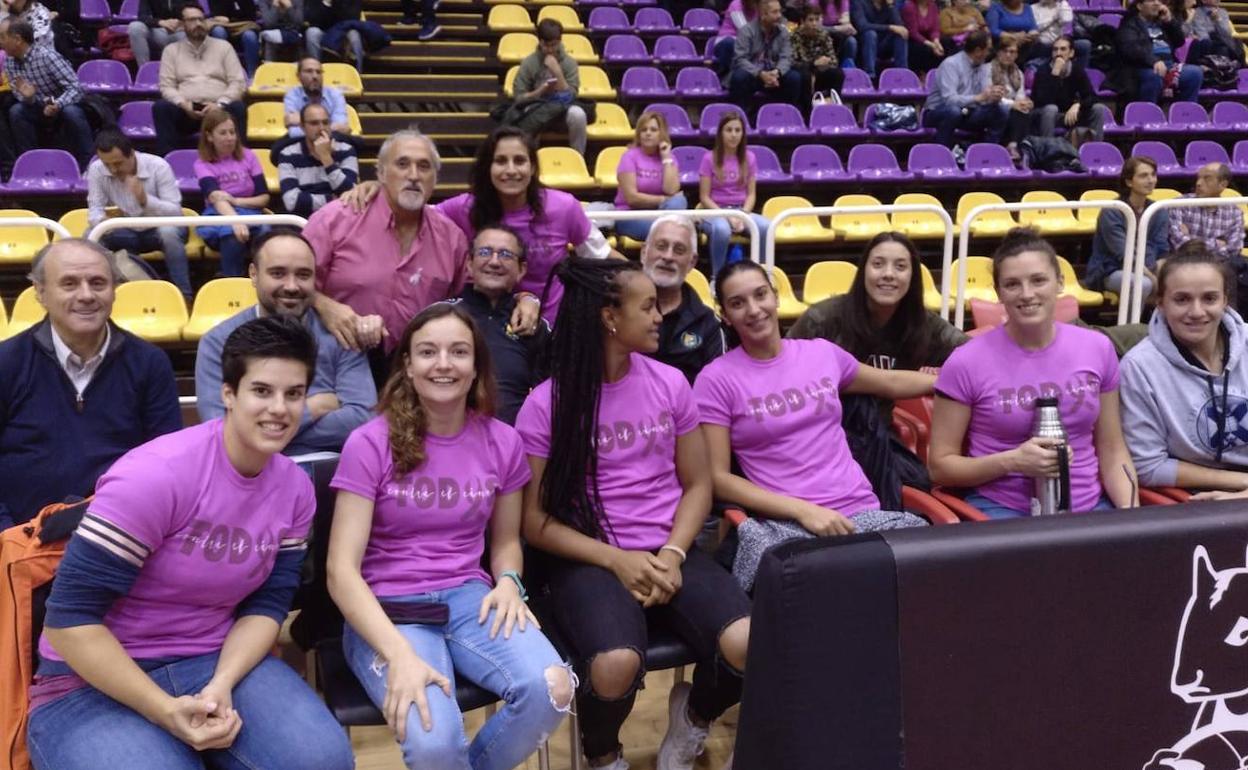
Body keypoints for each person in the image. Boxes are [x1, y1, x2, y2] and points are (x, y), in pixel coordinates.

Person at [26, 315, 355, 770]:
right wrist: (163, 710)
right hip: (91, 681)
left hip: (211, 659)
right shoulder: (157, 475)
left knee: (322, 760)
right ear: (228, 393)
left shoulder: (295, 490)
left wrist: (222, 684)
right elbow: (69, 622)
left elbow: (268, 606)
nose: (279, 408)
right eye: (262, 390)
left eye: (294, 394)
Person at [517, 257, 751, 770]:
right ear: (608, 317)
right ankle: (602, 754)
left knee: (747, 642)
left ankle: (693, 716)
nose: (658, 317)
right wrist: (619, 561)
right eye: (646, 306)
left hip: (671, 549)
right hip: (591, 558)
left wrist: (671, 552)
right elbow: (534, 523)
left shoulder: (670, 383)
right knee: (614, 663)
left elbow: (698, 486)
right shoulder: (545, 405)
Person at [327, 303, 568, 769]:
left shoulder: (502, 440)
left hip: (469, 597)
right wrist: (397, 654)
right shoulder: (370, 441)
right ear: (407, 365)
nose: (443, 364)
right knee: (436, 743)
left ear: (476, 366)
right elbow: (340, 571)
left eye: (459, 352)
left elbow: (505, 542)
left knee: (553, 688)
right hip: (387, 608)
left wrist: (509, 582)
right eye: (428, 352)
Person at [693, 260, 931, 588]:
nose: (753, 309)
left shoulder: (821, 354)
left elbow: (889, 382)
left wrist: (954, 381)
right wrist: (804, 511)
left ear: (775, 297)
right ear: (725, 315)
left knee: (931, 568)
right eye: (738, 303)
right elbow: (718, 479)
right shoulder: (716, 379)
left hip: (862, 514)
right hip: (786, 525)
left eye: (760, 295)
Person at [928, 228, 1139, 518]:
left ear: (1060, 282)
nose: (1027, 294)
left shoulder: (1097, 348)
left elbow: (1113, 450)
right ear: (998, 292)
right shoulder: (966, 362)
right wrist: (1013, 462)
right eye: (1012, 284)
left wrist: (1130, 515)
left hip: (1090, 509)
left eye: (1038, 280)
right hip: (999, 511)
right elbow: (940, 466)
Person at [341, 126, 606, 325]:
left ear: (533, 167)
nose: (511, 170)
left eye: (520, 161)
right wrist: (380, 186)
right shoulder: (463, 208)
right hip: (485, 326)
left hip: (551, 327)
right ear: (487, 167)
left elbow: (602, 257)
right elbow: (413, 207)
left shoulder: (564, 206)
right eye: (501, 161)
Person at [0, 240, 180, 529]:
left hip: (120, 537)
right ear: (41, 292)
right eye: (69, 284)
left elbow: (167, 466)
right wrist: (6, 540)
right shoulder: (6, 362)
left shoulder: (149, 363)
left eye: (97, 283)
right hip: (21, 543)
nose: (86, 295)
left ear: (114, 291)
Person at [303, 130, 468, 386]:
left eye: (424, 167)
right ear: (380, 173)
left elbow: (463, 303)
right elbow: (287, 287)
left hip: (416, 376)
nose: (413, 175)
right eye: (402, 164)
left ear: (435, 179)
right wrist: (325, 305)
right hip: (335, 367)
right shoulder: (335, 220)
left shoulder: (453, 240)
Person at [196, 228, 375, 453]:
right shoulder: (218, 342)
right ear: (253, 274)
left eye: (303, 275)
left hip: (331, 471)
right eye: (278, 273)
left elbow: (362, 419)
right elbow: (222, 432)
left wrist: (263, 428)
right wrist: (314, 407)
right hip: (253, 475)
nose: (291, 286)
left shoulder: (341, 334)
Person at [1120, 250, 1248, 495]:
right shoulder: (1138, 367)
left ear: (1225, 300)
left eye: (1209, 298)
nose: (1197, 311)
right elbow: (1148, 466)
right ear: (1160, 303)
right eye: (1182, 299)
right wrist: (1240, 484)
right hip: (1194, 494)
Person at [788, 232, 967, 395]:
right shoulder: (822, 318)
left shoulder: (923, 324)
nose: (888, 274)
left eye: (900, 266)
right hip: (822, 422)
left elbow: (975, 356)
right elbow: (781, 363)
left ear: (913, 277)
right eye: (878, 264)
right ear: (863, 271)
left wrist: (945, 374)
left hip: (879, 428)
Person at [450, 225, 550, 425]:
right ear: (469, 263)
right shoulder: (442, 317)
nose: (494, 262)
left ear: (521, 270)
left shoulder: (533, 325)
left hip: (516, 443)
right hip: (450, 439)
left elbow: (551, 393)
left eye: (505, 254)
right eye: (485, 252)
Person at [86, 129, 192, 298]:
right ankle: (100, 294)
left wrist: (145, 200)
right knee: (92, 235)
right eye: (107, 164)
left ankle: (184, 295)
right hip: (127, 228)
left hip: (160, 227)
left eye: (118, 163)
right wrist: (102, 222)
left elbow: (175, 211)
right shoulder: (96, 169)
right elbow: (95, 208)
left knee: (169, 233)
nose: (113, 169)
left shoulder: (158, 166)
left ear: (132, 154)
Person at [640, 214, 725, 385]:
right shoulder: (617, 310)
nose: (668, 256)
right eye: (661, 246)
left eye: (679, 250)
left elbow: (716, 390)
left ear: (692, 262)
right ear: (644, 253)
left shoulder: (708, 324)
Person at [154, 2, 247, 156]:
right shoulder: (171, 51)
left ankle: (240, 160)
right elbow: (166, 86)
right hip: (187, 112)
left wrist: (220, 104)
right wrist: (184, 104)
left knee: (237, 107)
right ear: (182, 24)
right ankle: (169, 162)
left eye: (200, 19)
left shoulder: (224, 47)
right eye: (191, 20)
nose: (198, 24)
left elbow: (238, 83)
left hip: (219, 111)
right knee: (161, 107)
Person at [0, 19, 92, 167]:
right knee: (17, 111)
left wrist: (57, 104)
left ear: (17, 39)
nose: (0, 42)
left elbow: (76, 87)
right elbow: (19, 95)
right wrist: (29, 99)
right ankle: (30, 164)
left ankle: (88, 164)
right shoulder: (9, 62)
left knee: (72, 112)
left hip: (63, 104)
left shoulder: (47, 56)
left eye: (2, 37)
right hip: (38, 106)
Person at [194, 109, 270, 278]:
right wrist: (235, 220)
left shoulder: (249, 156)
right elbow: (215, 197)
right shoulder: (202, 163)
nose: (230, 138)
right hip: (218, 215)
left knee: (266, 231)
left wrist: (235, 201)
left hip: (249, 212)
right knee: (230, 234)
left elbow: (264, 198)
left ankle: (264, 280)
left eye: (232, 132)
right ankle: (232, 282)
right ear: (209, 136)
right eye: (223, 133)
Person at [697, 112, 770, 279]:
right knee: (722, 230)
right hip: (714, 211)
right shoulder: (709, 158)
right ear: (721, 133)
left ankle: (761, 274)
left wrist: (743, 215)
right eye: (729, 130)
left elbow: (751, 195)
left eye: (738, 130)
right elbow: (704, 197)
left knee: (766, 226)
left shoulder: (749, 158)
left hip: (740, 210)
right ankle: (717, 278)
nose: (733, 135)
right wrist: (729, 217)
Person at [1088, 155, 1170, 299]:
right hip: (1111, 270)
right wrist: (1153, 279)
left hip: (1149, 267)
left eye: (1153, 175)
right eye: (1143, 176)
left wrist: (1160, 276)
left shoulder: (1158, 210)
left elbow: (1162, 250)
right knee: (1143, 284)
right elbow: (1125, 255)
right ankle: (1133, 322)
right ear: (1129, 181)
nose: (1151, 180)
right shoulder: (1113, 210)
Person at [510, 19, 587, 155]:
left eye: (554, 45)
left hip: (562, 108)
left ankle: (578, 157)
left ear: (560, 42)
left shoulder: (569, 63)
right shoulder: (529, 63)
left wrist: (558, 72)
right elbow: (519, 98)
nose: (550, 49)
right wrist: (540, 91)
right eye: (547, 45)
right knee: (531, 116)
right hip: (537, 107)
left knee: (578, 114)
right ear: (540, 42)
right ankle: (531, 158)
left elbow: (573, 95)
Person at [921, 31, 1005, 150]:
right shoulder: (951, 64)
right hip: (937, 112)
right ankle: (942, 154)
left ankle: (985, 153)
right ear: (978, 51)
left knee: (1000, 111)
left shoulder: (983, 66)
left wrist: (993, 97)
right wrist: (979, 97)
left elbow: (985, 96)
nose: (989, 53)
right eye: (988, 49)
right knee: (953, 111)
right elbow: (949, 100)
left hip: (967, 112)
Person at [614, 110, 688, 244]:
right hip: (630, 216)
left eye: (653, 130)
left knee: (679, 202)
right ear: (639, 134)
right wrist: (664, 200)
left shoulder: (670, 158)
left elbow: (671, 190)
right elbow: (632, 198)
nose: (648, 133)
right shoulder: (629, 157)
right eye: (644, 130)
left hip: (659, 214)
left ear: (662, 134)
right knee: (669, 228)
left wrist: (666, 158)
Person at [1107, 0, 1202, 103]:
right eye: (1151, 0)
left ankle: (1184, 114)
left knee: (1194, 73)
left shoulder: (1162, 22)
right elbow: (1131, 48)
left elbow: (1179, 41)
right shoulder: (1129, 24)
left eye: (1159, 1)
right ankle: (1148, 113)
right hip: (1142, 67)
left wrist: (1169, 21)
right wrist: (1154, 61)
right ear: (1139, 6)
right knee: (1154, 76)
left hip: (1169, 66)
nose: (1157, 3)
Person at [276, 103, 359, 218]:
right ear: (302, 126)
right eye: (314, 123)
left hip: (339, 217)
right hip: (303, 219)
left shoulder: (346, 150)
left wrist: (326, 158)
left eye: (325, 122)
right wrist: (332, 199)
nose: (321, 128)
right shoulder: (288, 154)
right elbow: (292, 202)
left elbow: (351, 194)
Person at [1031, 35, 1111, 141]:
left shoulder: (1076, 70)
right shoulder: (1043, 71)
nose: (1058, 53)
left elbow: (1092, 96)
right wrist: (1054, 74)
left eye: (1063, 49)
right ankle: (1047, 148)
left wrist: (1078, 104)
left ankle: (1095, 149)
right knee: (1051, 108)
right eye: (1055, 49)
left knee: (1099, 108)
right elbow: (1042, 101)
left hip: (1070, 114)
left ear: (1071, 53)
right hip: (1046, 114)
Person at [729, 0, 804, 111]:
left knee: (794, 78)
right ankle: (743, 116)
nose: (779, 16)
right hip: (753, 75)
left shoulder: (783, 32)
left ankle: (785, 115)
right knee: (739, 77)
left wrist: (778, 72)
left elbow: (787, 57)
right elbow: (740, 59)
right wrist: (760, 74)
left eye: (780, 11)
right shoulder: (746, 31)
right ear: (763, 15)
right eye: (774, 12)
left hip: (774, 75)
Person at [1168, 162, 1244, 262]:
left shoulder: (1235, 213)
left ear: (1223, 184)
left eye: (1207, 178)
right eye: (1198, 178)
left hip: (1221, 265)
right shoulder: (1179, 204)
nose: (1198, 183)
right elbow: (1180, 244)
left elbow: (1234, 249)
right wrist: (1217, 244)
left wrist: (1193, 241)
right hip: (1186, 263)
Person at [283, 56, 349, 137]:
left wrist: (307, 122)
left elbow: (342, 128)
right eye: (309, 71)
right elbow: (294, 133)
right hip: (302, 143)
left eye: (318, 72)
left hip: (333, 141)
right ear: (298, 76)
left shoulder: (335, 94)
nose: (315, 76)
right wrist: (329, 125)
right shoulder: (292, 95)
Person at [792, 3, 845, 103]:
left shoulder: (824, 35)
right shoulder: (794, 37)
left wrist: (825, 64)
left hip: (820, 72)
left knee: (837, 73)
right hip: (804, 75)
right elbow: (793, 63)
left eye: (817, 20)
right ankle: (807, 112)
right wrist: (813, 64)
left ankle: (833, 103)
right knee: (804, 75)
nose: (814, 24)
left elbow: (833, 60)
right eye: (811, 20)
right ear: (803, 21)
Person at [991, 38, 1033, 162]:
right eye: (1005, 51)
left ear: (1016, 55)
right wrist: (1013, 104)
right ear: (998, 52)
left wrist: (1025, 103)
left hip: (1013, 110)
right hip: (992, 107)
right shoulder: (987, 69)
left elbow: (1020, 96)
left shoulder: (1018, 73)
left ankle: (1017, 147)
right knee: (1013, 110)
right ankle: (1013, 146)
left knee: (1024, 110)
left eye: (1012, 52)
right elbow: (990, 96)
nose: (1008, 55)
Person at [850, 0, 907, 77]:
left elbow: (899, 26)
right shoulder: (859, 2)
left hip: (884, 42)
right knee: (870, 34)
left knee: (901, 34)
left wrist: (891, 6)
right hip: (864, 43)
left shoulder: (889, 4)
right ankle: (870, 75)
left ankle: (903, 74)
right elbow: (862, 26)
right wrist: (889, 27)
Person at [207, 0, 261, 76]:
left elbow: (251, 16)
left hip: (243, 26)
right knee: (219, 32)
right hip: (223, 26)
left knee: (250, 36)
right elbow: (218, 15)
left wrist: (231, 18)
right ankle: (222, 71)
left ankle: (252, 74)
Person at [1030, 0, 1089, 69]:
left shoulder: (1061, 6)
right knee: (1045, 44)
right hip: (1041, 44)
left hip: (1059, 42)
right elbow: (1035, 28)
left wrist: (1063, 2)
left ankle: (1078, 72)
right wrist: (1053, 20)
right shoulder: (1032, 8)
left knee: (1085, 45)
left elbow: (1066, 19)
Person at [127, 0, 185, 67]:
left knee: (196, 31)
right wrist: (161, 22)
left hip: (180, 32)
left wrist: (183, 23)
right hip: (157, 31)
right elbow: (142, 16)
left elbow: (197, 13)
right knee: (135, 27)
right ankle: (144, 70)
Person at [712, 0, 758, 75]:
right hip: (727, 41)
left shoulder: (760, 6)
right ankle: (725, 76)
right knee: (730, 44)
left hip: (748, 44)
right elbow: (744, 30)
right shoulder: (736, 4)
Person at [901, 0, 944, 73]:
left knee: (946, 43)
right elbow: (913, 33)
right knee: (925, 49)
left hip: (929, 38)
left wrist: (936, 42)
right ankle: (922, 74)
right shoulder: (909, 7)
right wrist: (931, 45)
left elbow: (935, 29)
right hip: (912, 40)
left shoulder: (933, 6)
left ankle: (939, 73)